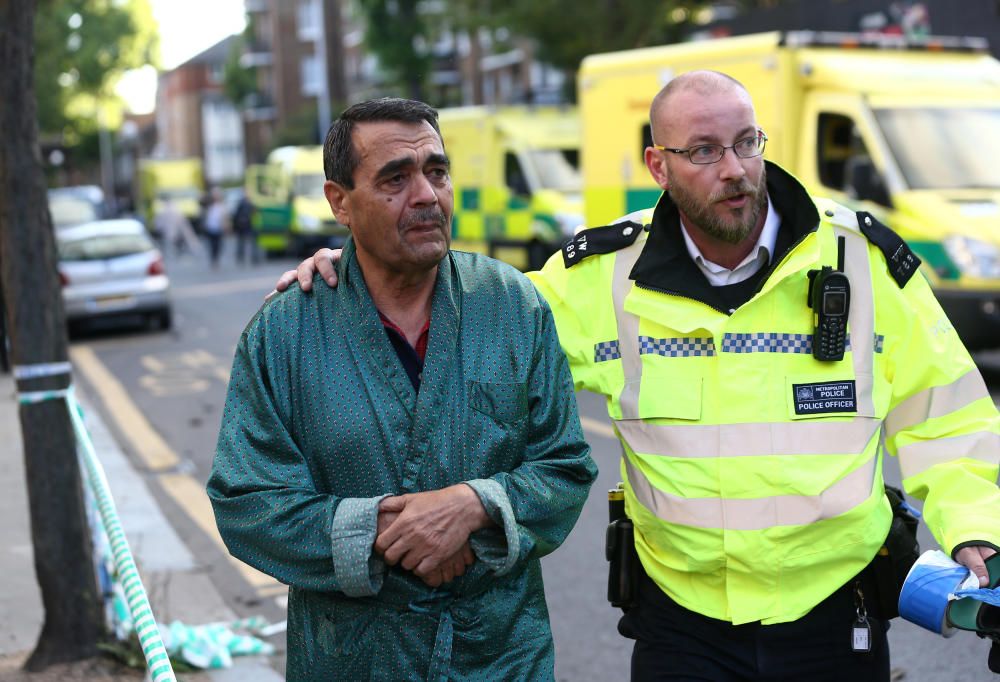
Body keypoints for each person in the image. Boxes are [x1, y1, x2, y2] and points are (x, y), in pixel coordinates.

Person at [275, 73, 1000, 681]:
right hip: (682, 628)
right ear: (659, 166)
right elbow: (473, 337)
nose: (735, 170)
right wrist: (357, 276)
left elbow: (949, 412)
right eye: (705, 151)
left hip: (835, 611)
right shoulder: (602, 278)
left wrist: (980, 534)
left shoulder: (860, 262)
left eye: (747, 143)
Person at [208, 98, 597, 681]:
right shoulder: (287, 331)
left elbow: (564, 465)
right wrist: (385, 534)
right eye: (396, 178)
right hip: (353, 662)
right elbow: (247, 501)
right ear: (339, 201)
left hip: (500, 657)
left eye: (436, 171)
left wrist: (474, 508)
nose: (426, 195)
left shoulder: (511, 306)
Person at [201, 186, 227, 268]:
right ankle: (213, 260)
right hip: (210, 228)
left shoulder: (222, 205)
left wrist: (226, 225)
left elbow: (225, 217)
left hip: (219, 228)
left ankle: (216, 259)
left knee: (219, 245)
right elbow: (201, 203)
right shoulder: (208, 205)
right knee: (212, 245)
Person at [231, 190, 258, 264]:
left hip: (247, 227)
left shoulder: (248, 204)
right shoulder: (244, 204)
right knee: (244, 243)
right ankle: (245, 258)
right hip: (244, 227)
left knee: (247, 243)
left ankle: (249, 258)